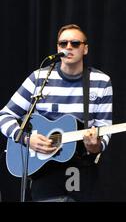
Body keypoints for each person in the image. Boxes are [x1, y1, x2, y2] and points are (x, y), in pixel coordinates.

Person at [0, 24, 113, 201]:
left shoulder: (101, 81)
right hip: (44, 170)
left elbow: (104, 129)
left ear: (85, 49)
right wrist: (27, 139)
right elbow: (5, 116)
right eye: (63, 43)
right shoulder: (39, 78)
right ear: (57, 48)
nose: (68, 47)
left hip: (82, 169)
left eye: (75, 43)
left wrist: (94, 146)